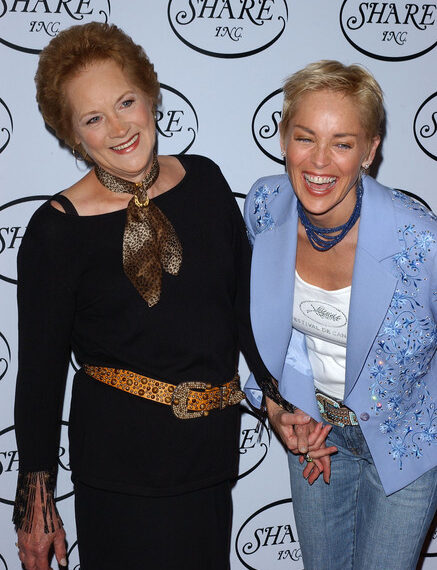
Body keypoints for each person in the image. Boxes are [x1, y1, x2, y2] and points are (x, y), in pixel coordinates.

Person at [13, 22, 272, 570]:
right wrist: (36, 503)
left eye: (125, 102)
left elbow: (245, 309)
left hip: (209, 458)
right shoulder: (56, 230)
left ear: (150, 96)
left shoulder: (205, 181)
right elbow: (39, 376)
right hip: (121, 471)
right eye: (92, 118)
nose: (118, 128)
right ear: (72, 134)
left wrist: (277, 395)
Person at [244, 60, 437, 569]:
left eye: (343, 144)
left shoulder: (421, 242)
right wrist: (280, 404)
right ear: (284, 138)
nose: (319, 161)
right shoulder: (264, 205)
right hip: (315, 433)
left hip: (403, 448)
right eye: (305, 137)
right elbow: (256, 319)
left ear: (370, 151)